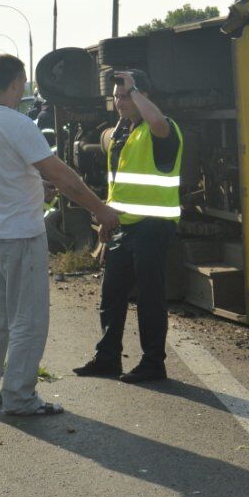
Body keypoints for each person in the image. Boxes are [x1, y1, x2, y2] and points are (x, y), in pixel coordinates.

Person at [0, 55, 120, 415]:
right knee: (28, 321)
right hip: (20, 234)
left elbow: (1, 173)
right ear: (17, 83)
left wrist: (36, 186)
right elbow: (65, 177)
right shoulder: (17, 124)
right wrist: (101, 209)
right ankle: (19, 397)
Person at [74, 69, 182, 383]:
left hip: (153, 227)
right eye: (118, 96)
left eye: (126, 96)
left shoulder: (162, 128)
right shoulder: (126, 133)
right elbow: (120, 185)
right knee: (112, 296)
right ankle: (107, 359)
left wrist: (135, 89)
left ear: (142, 96)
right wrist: (108, 220)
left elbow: (159, 123)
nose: (120, 103)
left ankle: (153, 364)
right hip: (124, 227)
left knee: (149, 299)